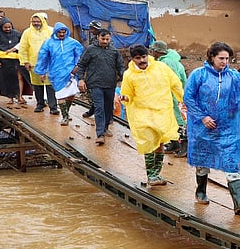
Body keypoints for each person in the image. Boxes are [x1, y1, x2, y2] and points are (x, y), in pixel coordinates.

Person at [182, 41, 240, 209]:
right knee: (203, 160)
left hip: (229, 130)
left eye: (227, 59)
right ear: (212, 57)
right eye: (221, 58)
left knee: (232, 161)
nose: (224, 62)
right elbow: (188, 98)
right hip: (203, 129)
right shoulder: (198, 75)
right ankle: (201, 191)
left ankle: (239, 202)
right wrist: (203, 117)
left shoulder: (233, 76)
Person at [120, 44, 184, 187]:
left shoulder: (161, 68)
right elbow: (127, 93)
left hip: (162, 111)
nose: (142, 60)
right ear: (132, 59)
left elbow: (175, 83)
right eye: (138, 58)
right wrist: (125, 98)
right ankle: (151, 176)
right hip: (142, 113)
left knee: (160, 142)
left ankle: (156, 173)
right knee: (148, 142)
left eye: (144, 57)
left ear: (148, 55)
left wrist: (183, 99)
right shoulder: (129, 75)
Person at [75, 28, 123, 145]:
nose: (105, 41)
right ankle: (100, 134)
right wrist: (81, 79)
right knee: (99, 107)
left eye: (107, 39)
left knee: (108, 107)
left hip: (110, 83)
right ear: (98, 38)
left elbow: (120, 66)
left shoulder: (114, 51)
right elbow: (81, 65)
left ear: (110, 39)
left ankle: (105, 127)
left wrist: (125, 77)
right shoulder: (91, 50)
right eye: (103, 39)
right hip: (95, 83)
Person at [35, 23, 84, 126]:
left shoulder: (73, 43)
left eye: (63, 32)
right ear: (55, 32)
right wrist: (42, 72)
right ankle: (65, 117)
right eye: (59, 32)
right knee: (60, 94)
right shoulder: (48, 43)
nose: (61, 34)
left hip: (71, 73)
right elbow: (43, 58)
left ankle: (66, 112)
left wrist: (77, 67)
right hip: (56, 73)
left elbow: (80, 55)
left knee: (71, 94)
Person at [149, 40, 188, 155]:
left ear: (158, 51)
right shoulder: (165, 61)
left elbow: (173, 80)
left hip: (173, 95)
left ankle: (183, 145)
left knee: (178, 119)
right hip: (169, 94)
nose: (151, 53)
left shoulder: (167, 62)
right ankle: (174, 143)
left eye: (153, 51)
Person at [0, 18, 23, 107]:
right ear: (1, 27)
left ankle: (19, 96)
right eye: (5, 27)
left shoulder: (17, 34)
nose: (8, 29)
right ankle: (10, 97)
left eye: (9, 27)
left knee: (18, 78)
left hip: (15, 59)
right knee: (6, 79)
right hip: (2, 61)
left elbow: (22, 45)